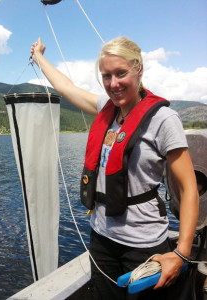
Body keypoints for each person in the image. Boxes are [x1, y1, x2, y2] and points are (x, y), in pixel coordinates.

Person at [31, 37, 199, 299]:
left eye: (121, 73)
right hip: (101, 238)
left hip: (143, 246)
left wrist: (181, 252)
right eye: (106, 76)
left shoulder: (164, 120)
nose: (113, 83)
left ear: (139, 69)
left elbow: (189, 189)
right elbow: (65, 87)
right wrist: (39, 56)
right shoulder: (105, 109)